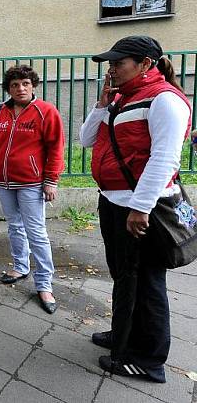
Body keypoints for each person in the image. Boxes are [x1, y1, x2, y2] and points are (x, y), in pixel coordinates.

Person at [80, 36, 191, 383]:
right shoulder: (123, 99)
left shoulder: (164, 101)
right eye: (110, 64)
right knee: (124, 276)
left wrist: (141, 208)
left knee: (147, 283)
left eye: (118, 63)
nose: (111, 69)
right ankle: (123, 334)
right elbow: (86, 139)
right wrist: (102, 105)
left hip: (141, 209)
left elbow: (165, 159)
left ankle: (149, 359)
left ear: (145, 64)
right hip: (114, 202)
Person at [0, 65, 64, 315]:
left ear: (33, 85)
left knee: (36, 232)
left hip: (31, 183)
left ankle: (44, 284)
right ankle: (20, 266)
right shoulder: (0, 111)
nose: (20, 88)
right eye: (15, 85)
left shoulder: (45, 111)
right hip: (3, 182)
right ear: (9, 88)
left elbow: (56, 148)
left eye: (25, 83)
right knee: (14, 225)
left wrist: (51, 180)